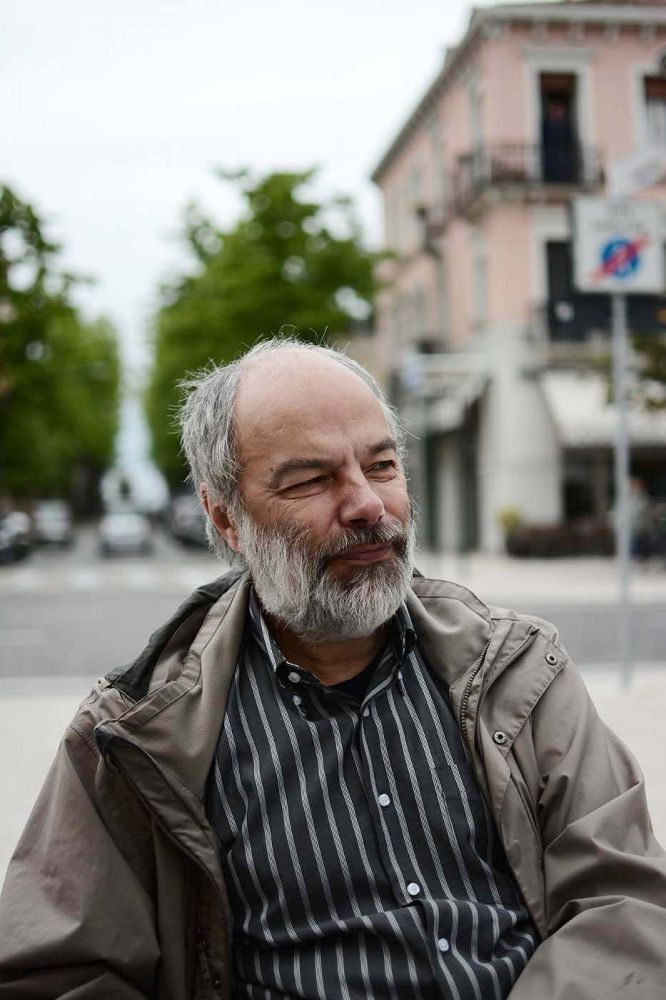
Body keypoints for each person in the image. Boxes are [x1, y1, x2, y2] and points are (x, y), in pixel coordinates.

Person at [1, 338, 665, 1000]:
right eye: (311, 480)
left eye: (381, 466)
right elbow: (63, 974)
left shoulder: (521, 674)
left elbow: (625, 900)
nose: (368, 505)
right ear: (225, 517)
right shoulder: (134, 735)